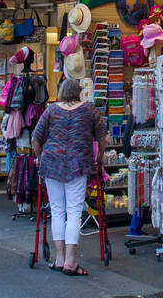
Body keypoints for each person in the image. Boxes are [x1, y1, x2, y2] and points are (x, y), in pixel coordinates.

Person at [31, 77, 107, 277]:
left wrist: (40, 158)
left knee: (57, 211)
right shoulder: (89, 110)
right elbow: (102, 137)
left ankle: (59, 258)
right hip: (78, 164)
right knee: (73, 211)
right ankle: (71, 261)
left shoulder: (51, 110)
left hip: (52, 162)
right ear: (79, 91)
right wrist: (99, 157)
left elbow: (36, 139)